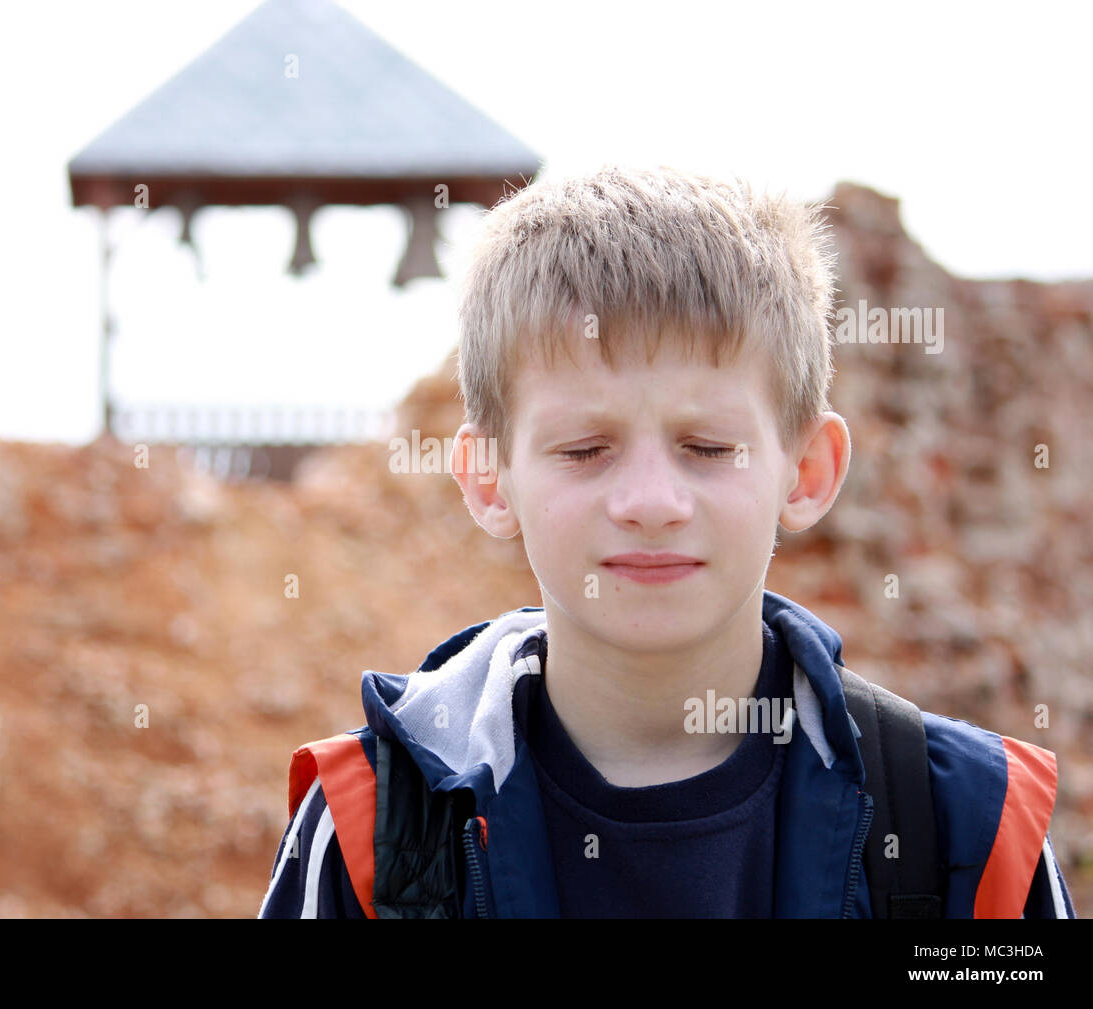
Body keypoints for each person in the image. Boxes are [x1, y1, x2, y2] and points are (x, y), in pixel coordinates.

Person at [257, 165, 1076, 918]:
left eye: (709, 448)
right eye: (585, 449)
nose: (651, 502)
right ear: (486, 476)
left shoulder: (970, 835)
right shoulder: (376, 834)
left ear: (808, 470)